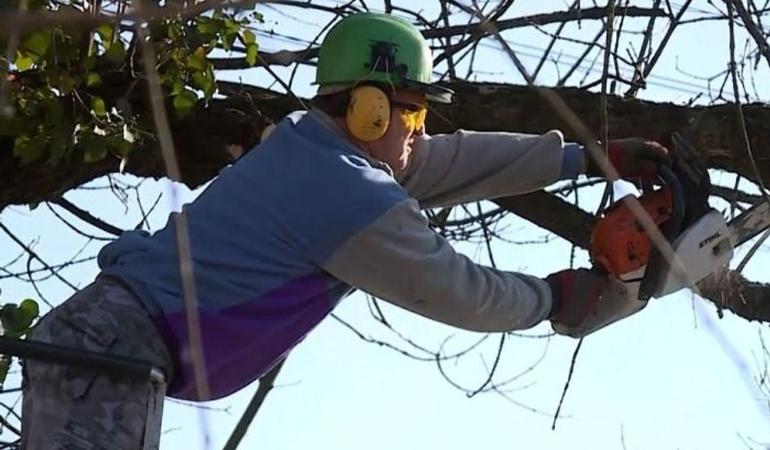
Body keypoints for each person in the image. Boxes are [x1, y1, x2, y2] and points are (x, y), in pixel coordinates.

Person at [21, 11, 669, 449]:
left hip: (106, 345)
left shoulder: (316, 150)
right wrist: (554, 300)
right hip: (111, 354)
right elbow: (454, 288)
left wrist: (584, 157)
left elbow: (451, 159)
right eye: (411, 114)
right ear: (367, 108)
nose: (419, 132)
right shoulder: (346, 197)